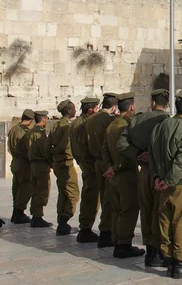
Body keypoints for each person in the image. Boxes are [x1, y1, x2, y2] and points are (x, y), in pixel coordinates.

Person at [149, 91, 182, 279]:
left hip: (163, 184)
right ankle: (181, 263)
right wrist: (169, 180)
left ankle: (170, 260)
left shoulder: (160, 126)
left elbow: (152, 155)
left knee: (166, 222)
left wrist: (158, 178)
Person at [117, 88, 171, 267]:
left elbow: (121, 143)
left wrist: (139, 154)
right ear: (167, 103)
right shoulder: (167, 122)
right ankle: (161, 252)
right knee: (160, 211)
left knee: (146, 210)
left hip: (144, 171)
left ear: (153, 102)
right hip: (160, 172)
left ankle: (150, 253)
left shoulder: (137, 120)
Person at [102, 92, 146, 258]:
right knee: (129, 210)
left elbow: (104, 150)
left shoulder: (111, 125)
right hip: (126, 175)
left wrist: (109, 167)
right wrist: (117, 167)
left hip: (113, 175)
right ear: (132, 107)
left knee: (117, 209)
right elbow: (125, 151)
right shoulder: (127, 126)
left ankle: (116, 239)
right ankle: (124, 244)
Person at [84, 92, 118, 248]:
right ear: (114, 106)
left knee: (102, 195)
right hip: (106, 162)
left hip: (95, 161)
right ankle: (106, 232)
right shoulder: (109, 120)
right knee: (109, 198)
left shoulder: (90, 119)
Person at [46, 100, 80, 236]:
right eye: (74, 109)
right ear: (69, 111)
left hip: (57, 163)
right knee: (73, 194)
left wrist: (51, 160)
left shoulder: (55, 125)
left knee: (63, 192)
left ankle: (62, 223)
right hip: (66, 163)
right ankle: (65, 218)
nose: (75, 111)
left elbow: (47, 145)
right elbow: (66, 145)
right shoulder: (66, 126)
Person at [71, 97, 100, 243]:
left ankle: (85, 227)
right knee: (91, 197)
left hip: (83, 163)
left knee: (89, 195)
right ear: (91, 109)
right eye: (96, 108)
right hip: (90, 165)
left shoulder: (75, 122)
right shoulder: (87, 123)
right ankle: (86, 229)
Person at [8, 109, 35, 224]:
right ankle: (19, 213)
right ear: (31, 120)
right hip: (24, 163)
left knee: (16, 187)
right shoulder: (26, 131)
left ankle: (15, 213)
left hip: (15, 162)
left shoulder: (14, 129)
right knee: (25, 188)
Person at [27, 110, 53, 227]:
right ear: (43, 119)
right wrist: (51, 162)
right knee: (42, 190)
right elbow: (45, 150)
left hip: (33, 164)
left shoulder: (31, 131)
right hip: (41, 165)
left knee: (35, 190)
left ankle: (35, 215)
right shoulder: (40, 133)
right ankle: (37, 216)